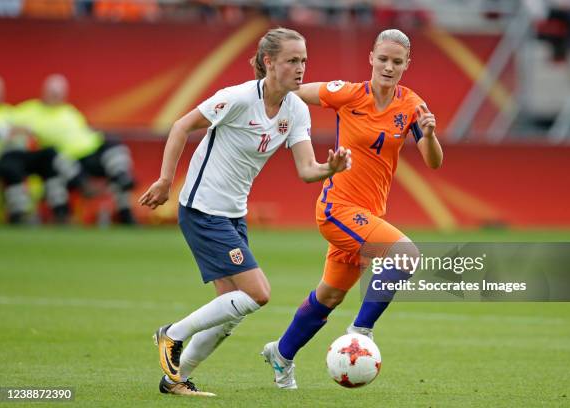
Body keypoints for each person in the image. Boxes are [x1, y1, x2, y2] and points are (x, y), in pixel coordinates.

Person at [138, 27, 352, 397]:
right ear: (269, 62)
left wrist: (329, 169)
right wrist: (164, 181)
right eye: (292, 60)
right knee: (258, 294)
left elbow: (306, 170)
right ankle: (171, 335)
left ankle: (175, 380)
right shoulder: (236, 98)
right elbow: (181, 126)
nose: (301, 68)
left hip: (233, 214)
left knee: (230, 310)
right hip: (203, 209)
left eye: (304, 60)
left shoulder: (296, 109)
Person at [262, 28, 443, 389]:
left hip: (367, 217)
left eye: (397, 61)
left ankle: (280, 354)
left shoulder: (411, 106)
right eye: (383, 59)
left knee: (329, 295)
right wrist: (262, 90)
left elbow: (434, 162)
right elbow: (295, 90)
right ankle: (361, 331)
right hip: (336, 209)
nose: (388, 67)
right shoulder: (347, 93)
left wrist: (431, 134)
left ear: (407, 64)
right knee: (405, 254)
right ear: (371, 58)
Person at [13, 74, 137, 224]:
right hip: (66, 160)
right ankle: (83, 186)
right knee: (54, 156)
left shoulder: (69, 111)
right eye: (52, 92)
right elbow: (9, 121)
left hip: (90, 152)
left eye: (59, 93)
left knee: (114, 146)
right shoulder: (30, 110)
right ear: (44, 91)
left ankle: (122, 188)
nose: (55, 96)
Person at [0, 76, 80, 224]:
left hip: (24, 155)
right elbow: (9, 129)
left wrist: (23, 131)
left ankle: (62, 211)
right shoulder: (27, 109)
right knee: (10, 164)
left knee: (50, 158)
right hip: (7, 158)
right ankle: (19, 213)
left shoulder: (8, 111)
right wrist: (10, 130)